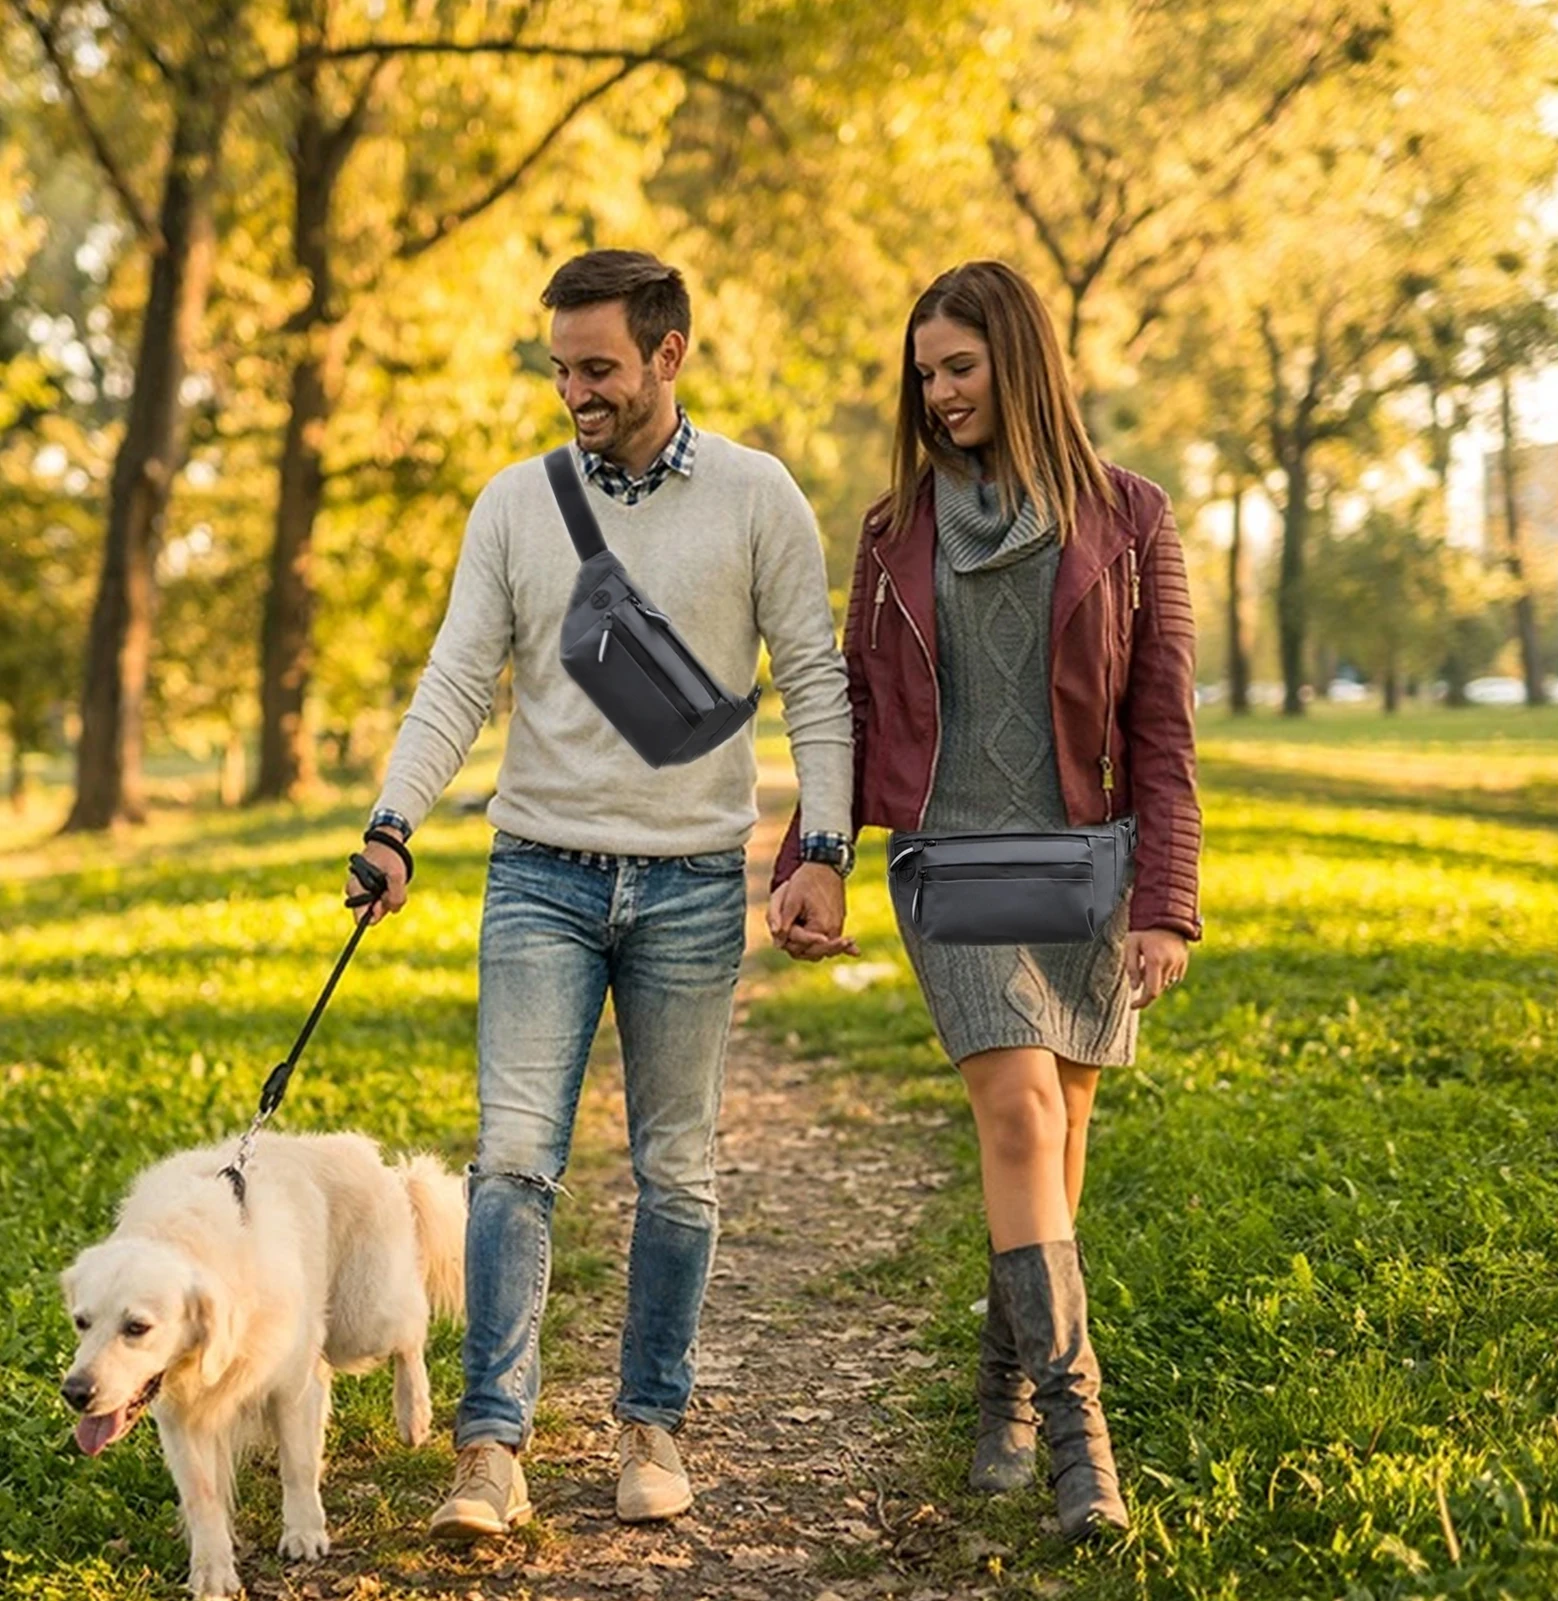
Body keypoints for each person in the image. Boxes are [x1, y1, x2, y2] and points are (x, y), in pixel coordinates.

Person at [347, 250, 859, 1538]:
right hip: (540, 875)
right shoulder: (515, 505)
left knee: (675, 1171)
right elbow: (457, 676)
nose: (572, 390)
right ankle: (489, 1446)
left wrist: (825, 848)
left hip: (692, 880)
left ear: (668, 354)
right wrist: (393, 820)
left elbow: (814, 676)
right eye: (559, 366)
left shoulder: (756, 494)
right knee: (513, 1162)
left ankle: (649, 1421)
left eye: (598, 368)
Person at [768, 260, 1202, 1542]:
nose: (939, 393)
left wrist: (1165, 898)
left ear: (1019, 361)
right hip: (948, 863)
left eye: (957, 367)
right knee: (1016, 1110)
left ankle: (1003, 1395)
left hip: (1084, 868)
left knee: (1056, 1138)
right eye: (924, 375)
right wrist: (818, 850)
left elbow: (1160, 725)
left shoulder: (1130, 516)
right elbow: (846, 704)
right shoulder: (891, 529)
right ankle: (1085, 1442)